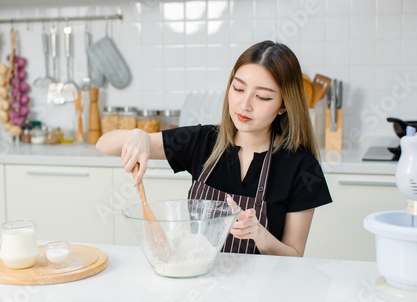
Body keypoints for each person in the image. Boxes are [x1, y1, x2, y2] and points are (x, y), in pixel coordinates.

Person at [96, 40, 332, 257]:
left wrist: (260, 234)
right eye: (238, 89)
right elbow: (105, 144)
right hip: (200, 280)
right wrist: (139, 136)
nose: (244, 105)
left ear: (283, 106)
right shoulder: (203, 141)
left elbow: (294, 255)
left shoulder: (302, 166)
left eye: (262, 97)